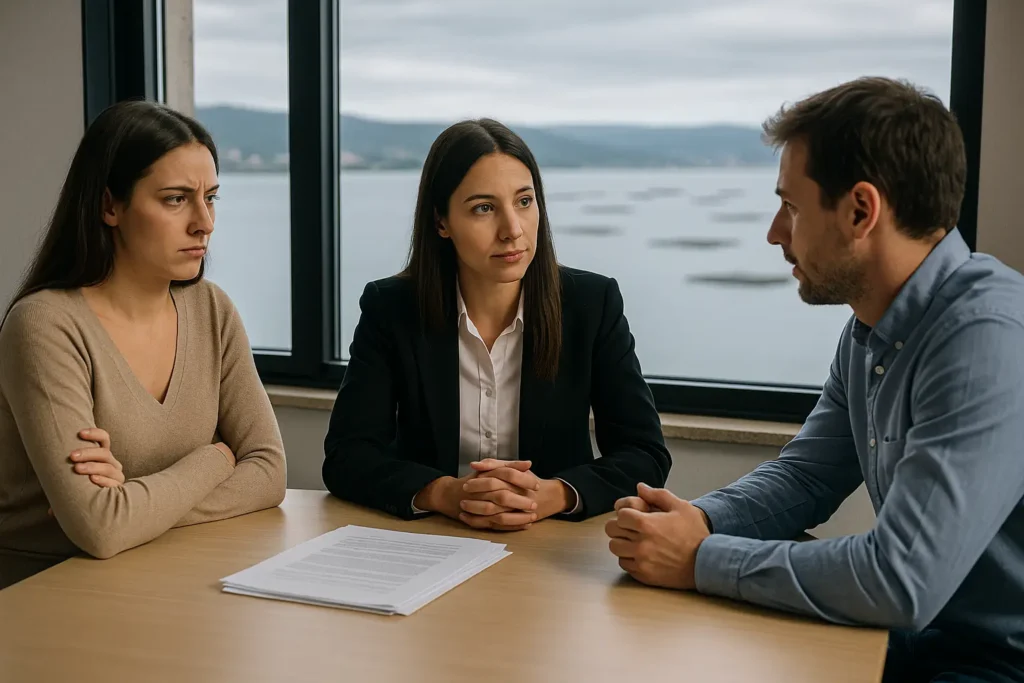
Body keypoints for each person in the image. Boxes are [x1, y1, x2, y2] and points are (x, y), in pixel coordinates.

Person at [605, 77, 1024, 683]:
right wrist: (701, 520)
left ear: (861, 210)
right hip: (922, 639)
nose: (775, 232)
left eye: (792, 207)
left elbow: (899, 580)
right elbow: (807, 476)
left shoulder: (988, 335)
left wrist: (699, 559)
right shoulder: (870, 328)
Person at [323, 118, 670, 529]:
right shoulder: (392, 308)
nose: (513, 230)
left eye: (524, 201)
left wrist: (553, 494)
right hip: (432, 538)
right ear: (441, 222)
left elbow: (645, 454)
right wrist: (445, 493)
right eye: (484, 208)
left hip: (553, 548)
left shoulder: (591, 304)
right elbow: (348, 456)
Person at [0, 100, 287, 589]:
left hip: (158, 572)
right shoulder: (44, 326)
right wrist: (214, 458)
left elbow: (270, 473)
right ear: (110, 205)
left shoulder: (212, 310)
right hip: (43, 592)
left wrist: (132, 501)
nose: (204, 223)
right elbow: (100, 528)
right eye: (176, 199)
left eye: (211, 197)